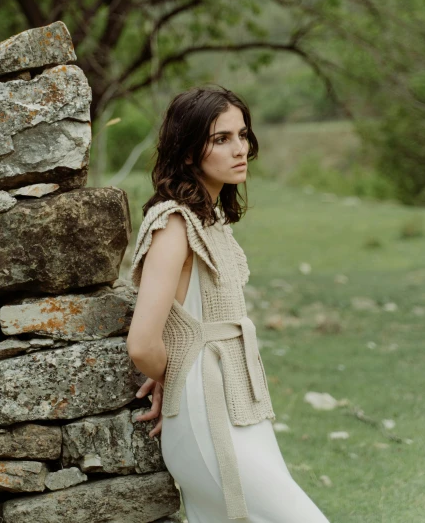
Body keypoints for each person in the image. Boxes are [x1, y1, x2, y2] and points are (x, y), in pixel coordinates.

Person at [126, 86, 331, 523]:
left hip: (240, 406)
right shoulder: (174, 225)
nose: (240, 149)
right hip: (206, 416)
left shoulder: (211, 220)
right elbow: (143, 343)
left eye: (242, 135)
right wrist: (178, 376)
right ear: (186, 152)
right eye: (221, 139)